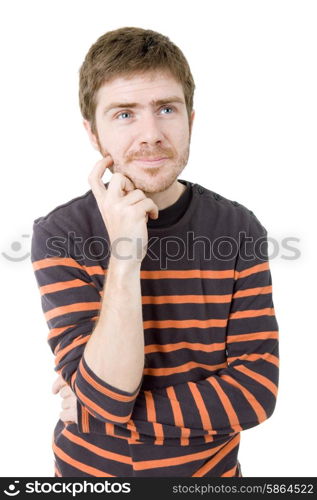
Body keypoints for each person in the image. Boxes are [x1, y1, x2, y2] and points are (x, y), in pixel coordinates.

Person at [31, 26, 279, 478]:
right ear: (93, 133)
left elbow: (256, 393)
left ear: (191, 119)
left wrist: (91, 411)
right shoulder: (60, 233)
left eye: (166, 109)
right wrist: (125, 256)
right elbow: (108, 392)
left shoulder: (239, 230)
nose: (151, 134)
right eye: (124, 114)